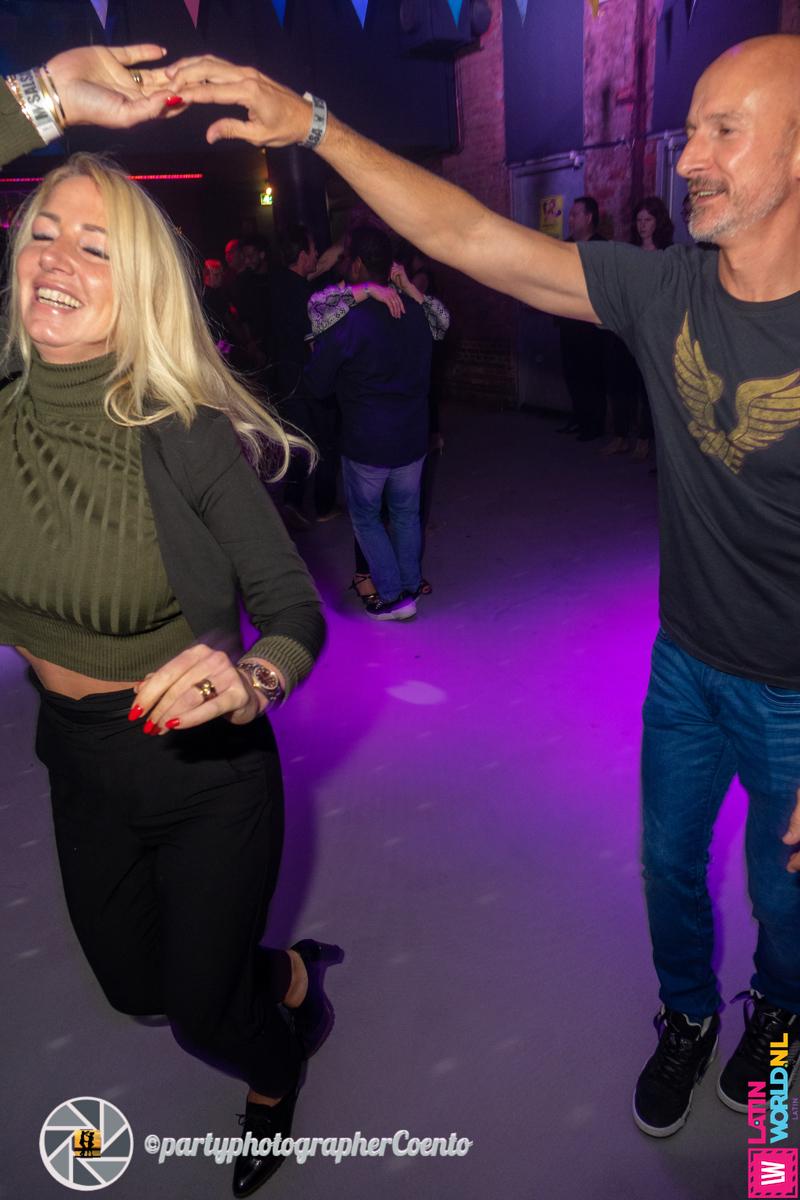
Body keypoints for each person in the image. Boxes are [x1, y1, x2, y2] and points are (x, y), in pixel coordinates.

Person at [163, 34, 800, 1138]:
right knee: (666, 868)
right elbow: (468, 234)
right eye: (689, 126)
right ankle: (687, 1014)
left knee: (786, 898)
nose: (688, 155)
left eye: (722, 130)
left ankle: (781, 1022)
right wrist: (316, 126)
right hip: (685, 666)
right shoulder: (665, 291)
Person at [0, 46, 339, 1197]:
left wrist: (255, 679)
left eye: (97, 247)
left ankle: (277, 1065)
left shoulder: (180, 430)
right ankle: (275, 972)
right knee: (135, 989)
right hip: (77, 756)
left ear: (139, 287)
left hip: (203, 769)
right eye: (43, 232)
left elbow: (289, 609)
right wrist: (41, 101)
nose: (58, 259)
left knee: (203, 1013)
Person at [304, 226, 434, 620]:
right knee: (406, 514)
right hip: (412, 436)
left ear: (358, 264)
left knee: (366, 518)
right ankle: (410, 584)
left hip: (368, 442)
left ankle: (394, 598)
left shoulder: (350, 321)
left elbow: (317, 384)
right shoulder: (417, 313)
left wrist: (321, 353)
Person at [603, 197, 674, 461]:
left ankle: (644, 439)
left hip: (653, 329)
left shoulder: (668, 254)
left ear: (658, 222)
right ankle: (620, 436)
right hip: (626, 326)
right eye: (639, 220)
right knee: (621, 383)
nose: (642, 225)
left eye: (648, 220)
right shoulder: (630, 252)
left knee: (648, 387)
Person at [556, 196, 607, 440]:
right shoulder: (565, 247)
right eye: (570, 214)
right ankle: (578, 418)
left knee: (592, 376)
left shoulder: (602, 247)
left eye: (575, 214)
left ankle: (594, 425)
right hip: (568, 322)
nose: (570, 219)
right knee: (572, 373)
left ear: (588, 217)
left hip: (591, 325)